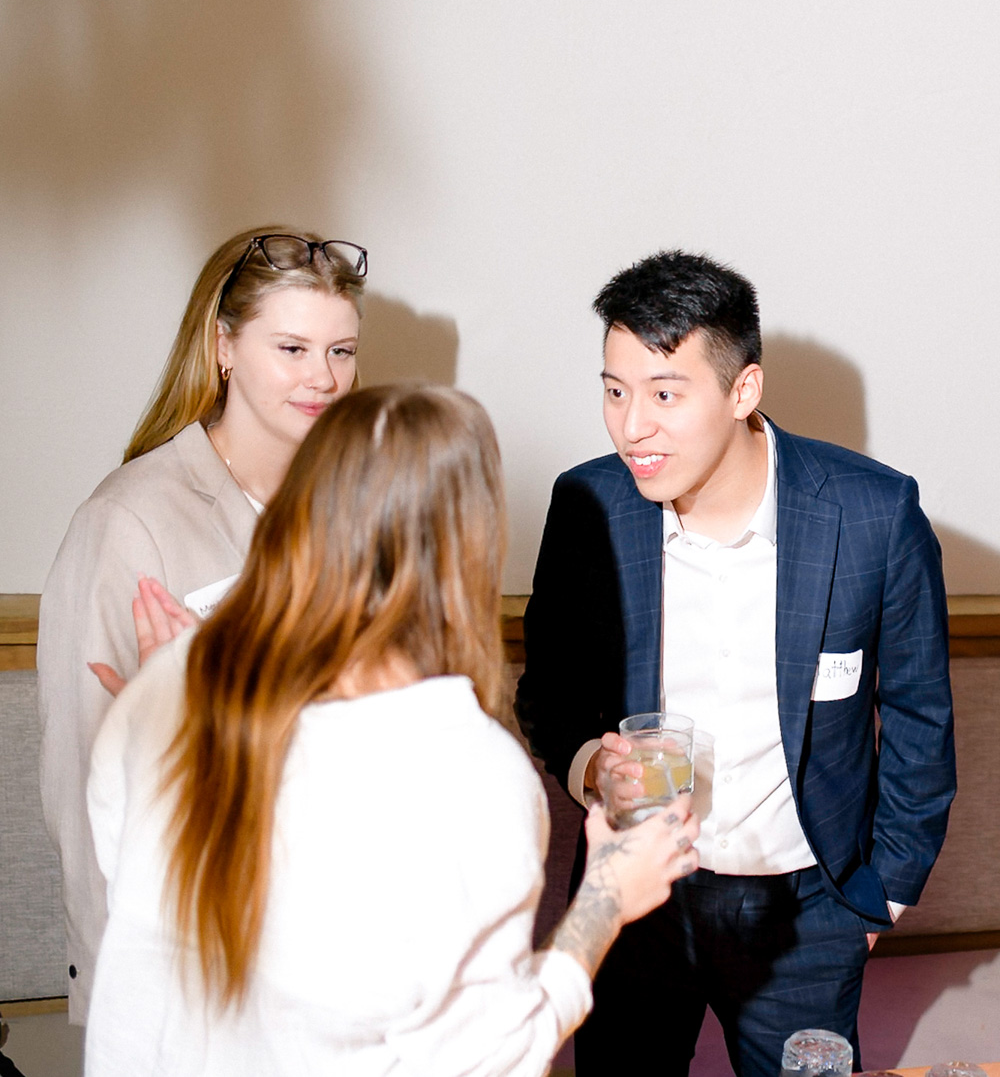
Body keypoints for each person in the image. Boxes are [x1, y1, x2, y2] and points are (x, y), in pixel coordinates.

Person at [84, 384, 699, 1077]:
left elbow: (130, 879)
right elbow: (489, 1055)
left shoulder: (168, 683)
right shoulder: (469, 773)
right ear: (467, 547)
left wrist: (173, 698)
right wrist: (605, 901)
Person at [515, 250, 956, 1077]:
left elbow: (920, 719)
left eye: (664, 395)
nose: (631, 427)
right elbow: (549, 694)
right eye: (615, 392)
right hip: (637, 903)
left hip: (810, 915)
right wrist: (591, 769)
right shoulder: (588, 505)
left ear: (743, 390)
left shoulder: (873, 513)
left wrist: (880, 900)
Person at [37, 228, 367, 1023]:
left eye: (341, 351)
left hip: (332, 958)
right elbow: (81, 786)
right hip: (185, 969)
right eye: (292, 349)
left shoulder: (355, 510)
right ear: (223, 347)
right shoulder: (127, 520)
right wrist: (128, 994)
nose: (323, 377)